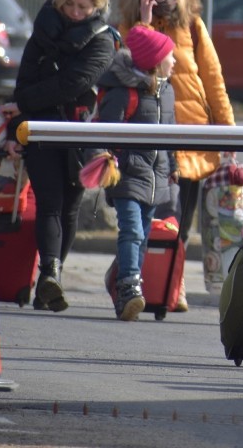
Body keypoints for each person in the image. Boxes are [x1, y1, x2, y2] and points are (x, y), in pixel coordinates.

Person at [117, 0, 235, 311]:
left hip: (192, 131)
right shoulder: (131, 22)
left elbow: (213, 78)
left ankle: (175, 282)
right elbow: (135, 62)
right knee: (153, 215)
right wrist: (147, 22)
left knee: (181, 218)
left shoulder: (192, 24)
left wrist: (227, 131)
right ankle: (136, 278)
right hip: (150, 131)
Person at [0, 0, 115, 312]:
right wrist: (15, 128)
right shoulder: (43, 29)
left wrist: (22, 104)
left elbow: (73, 83)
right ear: (60, 0)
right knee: (50, 199)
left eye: (84, 7)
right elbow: (24, 81)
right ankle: (50, 272)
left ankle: (51, 279)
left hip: (80, 128)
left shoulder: (104, 39)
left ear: (97, 7)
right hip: (39, 127)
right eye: (71, 5)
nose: (76, 12)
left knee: (71, 205)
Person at [97, 25, 179, 321]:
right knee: (131, 230)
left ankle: (120, 283)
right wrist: (115, 161)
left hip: (157, 177)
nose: (175, 61)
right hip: (128, 175)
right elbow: (106, 131)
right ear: (155, 62)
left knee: (142, 236)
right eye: (170, 56)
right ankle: (130, 286)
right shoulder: (124, 92)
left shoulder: (166, 91)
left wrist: (174, 166)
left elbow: (172, 133)